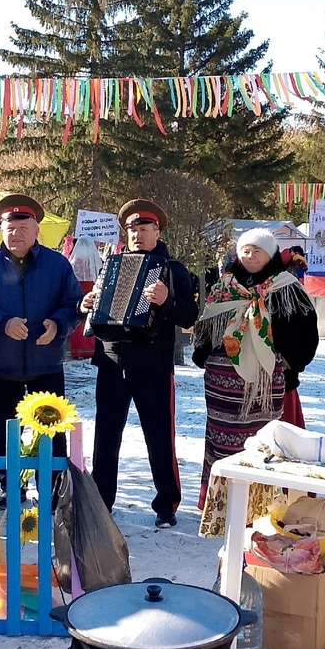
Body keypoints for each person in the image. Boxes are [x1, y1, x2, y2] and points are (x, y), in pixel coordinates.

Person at [79, 199, 197, 528]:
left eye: (144, 228)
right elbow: (96, 310)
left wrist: (167, 301)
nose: (137, 233)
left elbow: (189, 315)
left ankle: (166, 504)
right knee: (106, 437)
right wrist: (84, 304)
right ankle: (103, 500)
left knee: (159, 437)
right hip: (112, 361)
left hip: (153, 365)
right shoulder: (111, 265)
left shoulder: (173, 269)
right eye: (131, 228)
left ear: (157, 231)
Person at [0, 194, 82, 506]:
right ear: (1, 229)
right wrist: (3, 323)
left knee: (53, 431)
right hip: (2, 364)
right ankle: (11, 488)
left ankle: (54, 489)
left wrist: (58, 325)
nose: (16, 233)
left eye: (23, 227)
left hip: (47, 364)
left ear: (36, 230)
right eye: (9, 227)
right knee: (6, 431)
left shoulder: (57, 264)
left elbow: (73, 305)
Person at [192, 228, 318, 509]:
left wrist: (288, 364)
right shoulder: (224, 288)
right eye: (245, 250)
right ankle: (225, 504)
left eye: (257, 251)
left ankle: (262, 505)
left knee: (262, 444)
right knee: (222, 440)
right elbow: (207, 325)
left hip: (265, 385)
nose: (250, 256)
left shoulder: (287, 288)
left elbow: (305, 334)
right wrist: (204, 357)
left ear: (270, 254)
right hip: (222, 385)